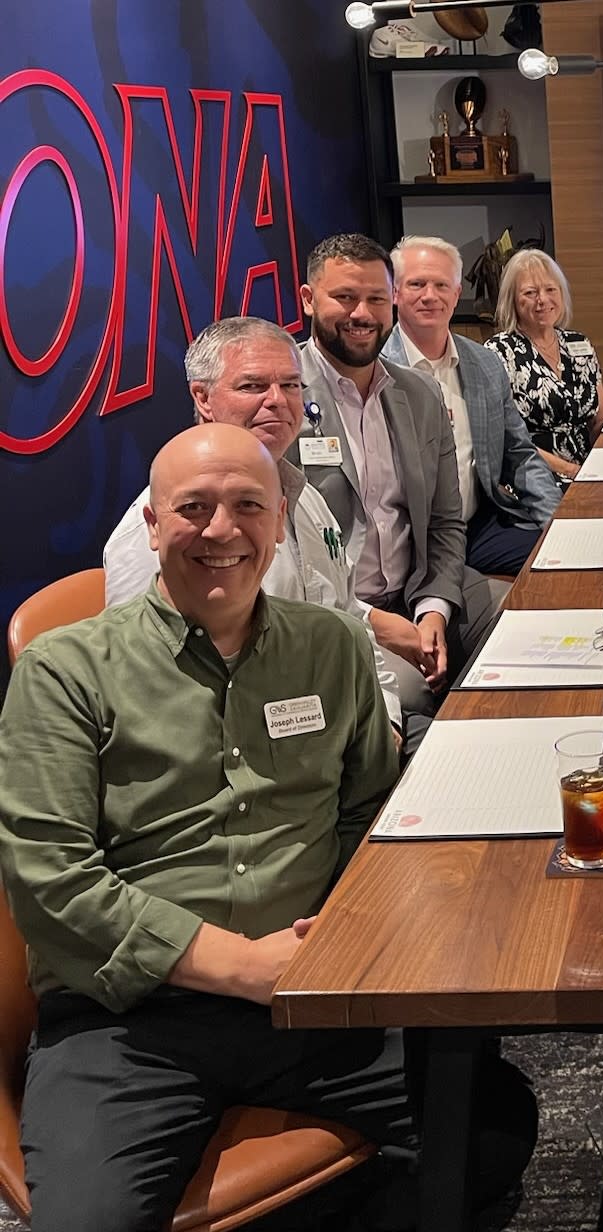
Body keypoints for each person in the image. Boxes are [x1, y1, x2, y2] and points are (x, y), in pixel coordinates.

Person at [0, 422, 537, 1232]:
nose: (222, 530)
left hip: (309, 999)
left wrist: (350, 932)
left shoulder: (329, 647)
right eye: (193, 507)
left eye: (248, 505)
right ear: (152, 524)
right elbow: (51, 878)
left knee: (491, 1128)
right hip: (131, 1019)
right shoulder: (65, 670)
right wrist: (245, 967)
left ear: (281, 519)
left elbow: (363, 814)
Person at [101, 316, 411, 744]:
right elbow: (147, 692)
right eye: (252, 386)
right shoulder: (157, 531)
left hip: (339, 726)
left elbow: (350, 623)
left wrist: (386, 723)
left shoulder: (306, 501)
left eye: (290, 385)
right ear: (203, 398)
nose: (278, 401)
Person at [295, 233, 508, 709]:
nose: (362, 314)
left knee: (523, 626)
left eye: (375, 298)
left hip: (418, 589)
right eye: (345, 297)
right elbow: (283, 563)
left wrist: (434, 608)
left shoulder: (419, 393)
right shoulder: (281, 395)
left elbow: (445, 522)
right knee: (415, 696)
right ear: (309, 300)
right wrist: (374, 621)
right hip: (336, 613)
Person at [383, 235, 562, 576]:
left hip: (478, 527)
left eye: (441, 285)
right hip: (409, 543)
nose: (430, 295)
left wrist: (556, 523)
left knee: (566, 556)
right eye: (417, 284)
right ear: (395, 292)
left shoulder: (484, 363)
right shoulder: (375, 369)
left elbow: (520, 454)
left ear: (455, 294)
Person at [484, 248, 603, 481]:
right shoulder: (499, 352)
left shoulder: (579, 343)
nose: (542, 300)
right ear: (512, 300)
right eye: (530, 292)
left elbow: (599, 416)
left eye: (550, 289)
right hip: (535, 475)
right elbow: (506, 439)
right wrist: (571, 471)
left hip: (587, 469)